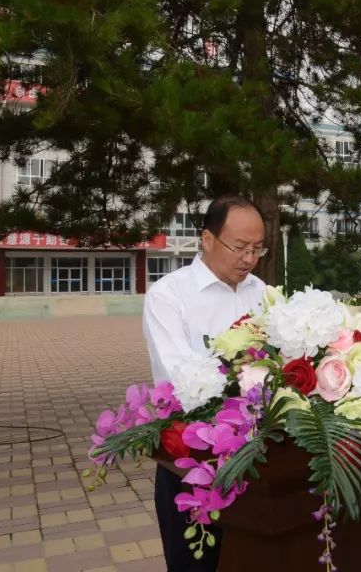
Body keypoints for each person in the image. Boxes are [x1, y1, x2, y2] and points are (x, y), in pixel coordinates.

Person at [143, 195, 268, 571]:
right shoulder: (169, 296)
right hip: (191, 459)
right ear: (208, 239)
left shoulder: (261, 292)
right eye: (240, 247)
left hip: (259, 459)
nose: (248, 258)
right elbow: (181, 379)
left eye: (257, 248)